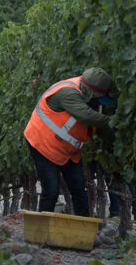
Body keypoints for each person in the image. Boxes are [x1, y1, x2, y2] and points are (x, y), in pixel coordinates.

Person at [24, 67, 118, 217]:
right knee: (51, 190)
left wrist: (118, 137)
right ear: (90, 93)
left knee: (78, 188)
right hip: (42, 143)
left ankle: (84, 227)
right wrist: (115, 122)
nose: (101, 103)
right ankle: (41, 230)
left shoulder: (93, 101)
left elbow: (101, 128)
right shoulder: (67, 92)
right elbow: (87, 116)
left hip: (68, 150)